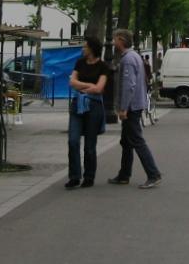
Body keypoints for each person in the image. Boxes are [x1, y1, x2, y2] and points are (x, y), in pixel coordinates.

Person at [108, 29, 162, 189]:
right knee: (126, 141)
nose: (113, 42)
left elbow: (129, 86)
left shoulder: (128, 59)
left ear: (121, 40)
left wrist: (123, 108)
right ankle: (124, 175)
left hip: (131, 106)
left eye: (115, 39)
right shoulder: (135, 56)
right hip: (136, 104)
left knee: (137, 141)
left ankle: (153, 174)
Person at [66, 36, 108, 189]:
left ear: (91, 48)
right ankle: (74, 176)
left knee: (90, 145)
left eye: (84, 46)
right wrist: (89, 85)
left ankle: (89, 176)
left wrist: (82, 86)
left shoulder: (103, 66)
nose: (82, 49)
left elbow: (99, 88)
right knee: (73, 140)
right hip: (77, 104)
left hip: (94, 106)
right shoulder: (80, 63)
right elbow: (72, 82)